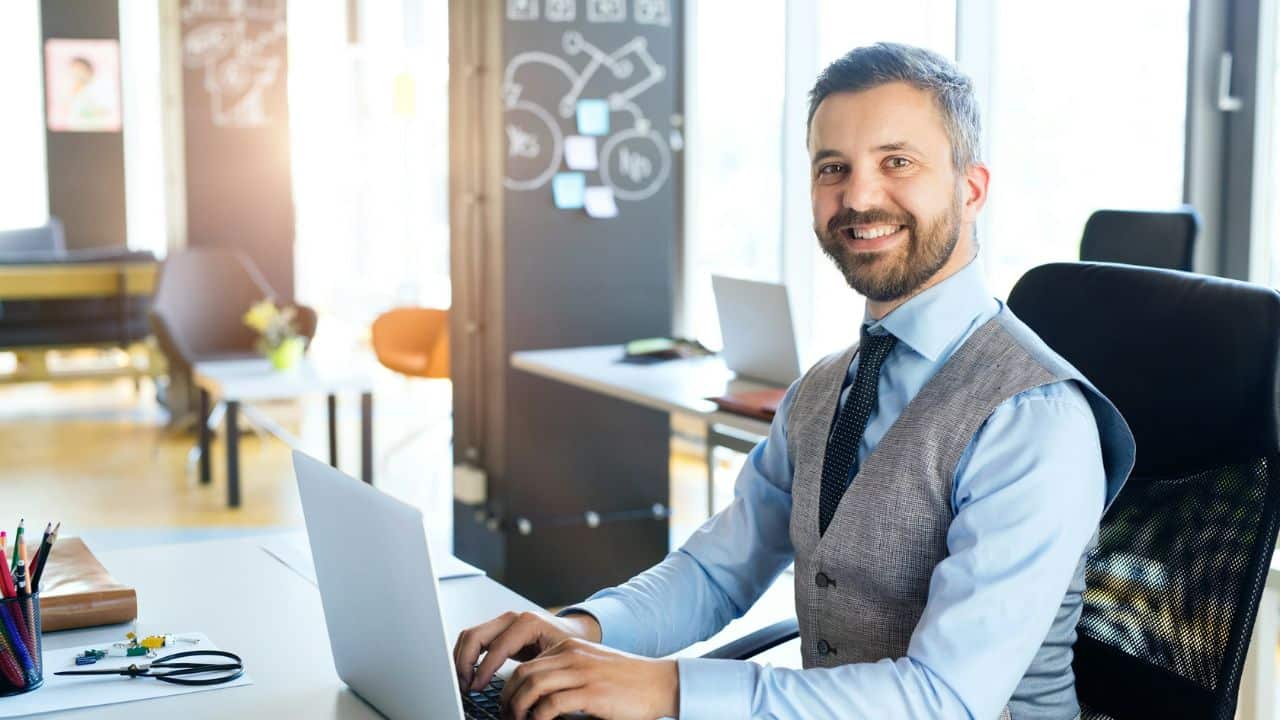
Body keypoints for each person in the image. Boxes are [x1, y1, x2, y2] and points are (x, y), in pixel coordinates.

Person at [454, 42, 1135, 720]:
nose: (859, 197)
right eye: (832, 168)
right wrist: (583, 633)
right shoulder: (824, 388)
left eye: (897, 162)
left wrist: (666, 688)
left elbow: (945, 699)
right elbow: (716, 570)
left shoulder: (1035, 419)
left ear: (971, 188)